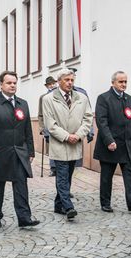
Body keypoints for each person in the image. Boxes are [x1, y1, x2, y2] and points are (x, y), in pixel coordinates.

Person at [0, 71, 40, 228]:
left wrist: (31, 151)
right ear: (1, 84)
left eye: (14, 83)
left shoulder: (23, 103)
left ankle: (24, 217)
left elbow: (28, 129)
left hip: (19, 152)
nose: (13, 85)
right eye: (9, 83)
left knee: (21, 185)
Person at [94, 71, 131, 213]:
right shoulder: (103, 98)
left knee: (130, 173)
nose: (124, 84)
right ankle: (105, 203)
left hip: (126, 144)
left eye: (125, 82)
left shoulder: (128, 98)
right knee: (107, 176)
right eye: (120, 82)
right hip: (110, 145)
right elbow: (102, 121)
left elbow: (130, 119)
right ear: (113, 83)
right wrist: (109, 140)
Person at [42, 68, 93, 219]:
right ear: (59, 82)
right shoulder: (48, 99)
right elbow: (50, 124)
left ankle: (58, 205)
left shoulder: (82, 98)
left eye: (72, 80)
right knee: (62, 175)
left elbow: (88, 118)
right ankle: (68, 206)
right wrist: (66, 136)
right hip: (60, 143)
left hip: (75, 143)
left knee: (69, 175)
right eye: (67, 80)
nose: (70, 83)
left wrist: (78, 135)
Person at [37, 76, 57, 176]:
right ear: (47, 86)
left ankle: (59, 167)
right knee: (51, 148)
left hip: (59, 126)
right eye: (49, 84)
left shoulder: (59, 96)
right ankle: (53, 168)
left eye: (53, 83)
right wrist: (41, 127)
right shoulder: (43, 97)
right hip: (48, 127)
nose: (52, 86)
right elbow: (40, 114)